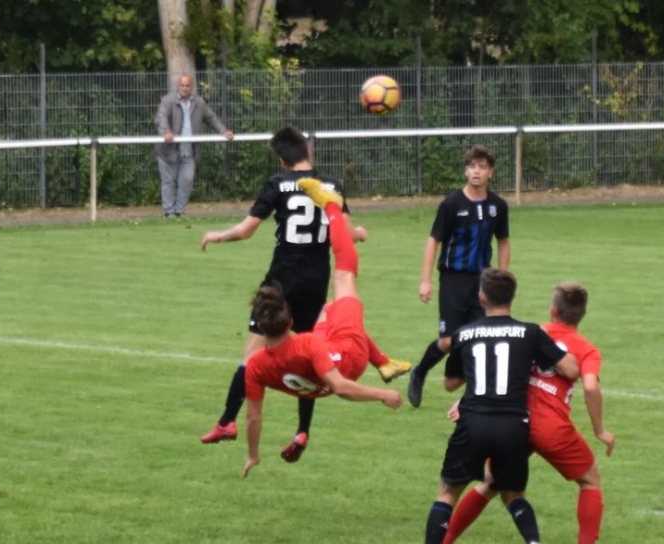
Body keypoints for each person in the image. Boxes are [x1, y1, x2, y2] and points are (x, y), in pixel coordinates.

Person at [199, 127, 410, 463]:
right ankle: (302, 430)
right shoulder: (332, 186)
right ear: (308, 150)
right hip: (316, 279)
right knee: (312, 353)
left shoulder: (277, 184)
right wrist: (362, 234)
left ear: (282, 160)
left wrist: (219, 235)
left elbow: (247, 229)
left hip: (280, 281)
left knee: (251, 355)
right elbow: (347, 232)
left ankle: (227, 422)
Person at [437, 282, 617, 544]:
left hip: (513, 420)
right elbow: (589, 384)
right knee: (590, 479)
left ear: (553, 310)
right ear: (581, 315)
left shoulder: (532, 332)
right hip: (550, 426)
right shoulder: (587, 349)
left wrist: (467, 401)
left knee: (490, 484)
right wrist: (600, 431)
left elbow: (498, 367)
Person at [414, 268, 579, 544]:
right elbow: (570, 369)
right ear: (512, 298)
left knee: (448, 493)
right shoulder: (530, 333)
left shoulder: (464, 334)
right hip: (513, 426)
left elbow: (450, 384)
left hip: (473, 422)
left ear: (481, 297)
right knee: (514, 494)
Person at [240, 177, 404, 478]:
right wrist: (382, 396)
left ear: (261, 329)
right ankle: (331, 205)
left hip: (320, 376)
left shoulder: (255, 367)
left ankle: (384, 361)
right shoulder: (307, 345)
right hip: (349, 355)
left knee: (328, 310)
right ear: (290, 321)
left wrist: (253, 454)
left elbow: (253, 418)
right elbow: (342, 388)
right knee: (344, 274)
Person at [407, 145, 510, 408]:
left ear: (491, 172)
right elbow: (434, 241)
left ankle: (470, 393)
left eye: (482, 167)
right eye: (472, 166)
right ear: (466, 170)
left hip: (482, 282)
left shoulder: (498, 206)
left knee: (481, 336)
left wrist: (502, 276)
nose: (476, 171)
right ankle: (420, 372)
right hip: (453, 280)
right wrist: (426, 280)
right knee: (447, 340)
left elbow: (504, 241)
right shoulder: (452, 203)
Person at [154, 74, 233, 218]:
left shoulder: (199, 102)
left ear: (191, 87)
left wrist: (223, 130)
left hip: (189, 150)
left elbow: (211, 118)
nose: (184, 88)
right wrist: (166, 132)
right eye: (182, 85)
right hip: (168, 151)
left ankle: (179, 210)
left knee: (187, 180)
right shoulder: (167, 101)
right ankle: (168, 212)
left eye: (187, 86)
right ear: (178, 86)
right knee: (168, 181)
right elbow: (161, 118)